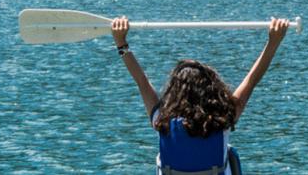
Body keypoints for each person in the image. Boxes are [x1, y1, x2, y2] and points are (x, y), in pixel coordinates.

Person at [112, 16, 290, 175]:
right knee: (230, 154)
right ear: (210, 91)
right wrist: (273, 42)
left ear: (174, 92)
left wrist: (121, 43)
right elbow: (251, 80)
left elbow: (142, 81)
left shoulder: (161, 120)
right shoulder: (223, 119)